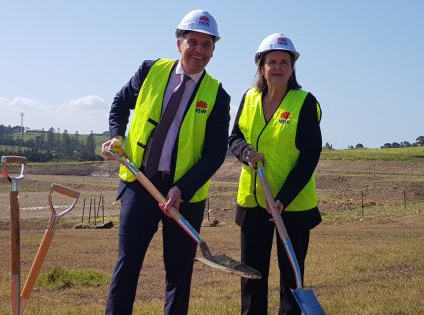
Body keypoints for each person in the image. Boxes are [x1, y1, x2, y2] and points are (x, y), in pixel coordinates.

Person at [101, 9, 230, 315]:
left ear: (213, 50)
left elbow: (214, 153)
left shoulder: (217, 95)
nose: (199, 51)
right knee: (127, 265)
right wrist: (117, 136)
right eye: (193, 42)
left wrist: (181, 189)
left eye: (207, 45)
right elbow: (119, 102)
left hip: (184, 196)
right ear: (179, 43)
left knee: (179, 275)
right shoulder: (150, 70)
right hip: (139, 184)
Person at [228, 33, 323, 315]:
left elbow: (309, 157)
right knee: (252, 274)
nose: (278, 67)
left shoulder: (304, 102)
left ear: (293, 68)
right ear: (261, 67)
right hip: (254, 200)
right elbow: (234, 137)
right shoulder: (249, 98)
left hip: (291, 205)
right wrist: (245, 151)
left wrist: (283, 198)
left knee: (291, 277)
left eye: (285, 62)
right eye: (272, 62)